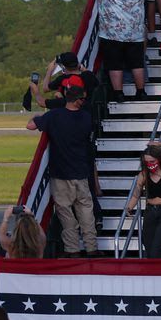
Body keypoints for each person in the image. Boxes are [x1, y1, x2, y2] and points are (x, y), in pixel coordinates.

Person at [27, 77, 98, 257]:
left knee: (66, 215)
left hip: (60, 174)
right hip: (81, 173)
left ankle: (72, 249)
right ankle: (91, 248)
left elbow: (30, 126)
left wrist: (35, 117)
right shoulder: (86, 118)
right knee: (86, 214)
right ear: (77, 100)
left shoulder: (54, 116)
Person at [84, 0, 146, 100]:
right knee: (137, 63)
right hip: (135, 32)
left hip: (112, 32)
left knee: (115, 64)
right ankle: (141, 91)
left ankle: (119, 93)